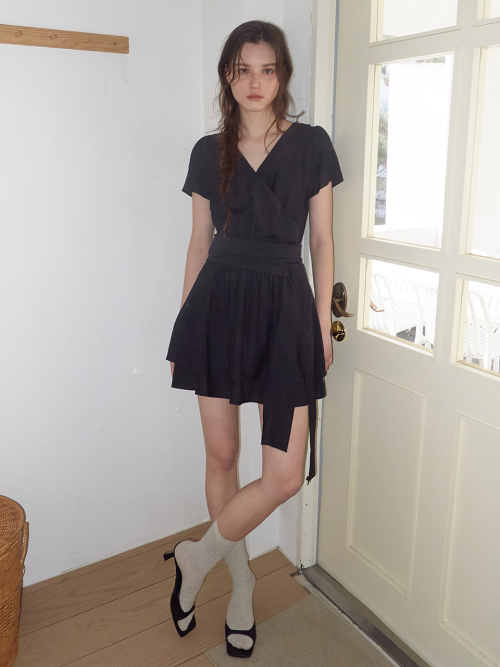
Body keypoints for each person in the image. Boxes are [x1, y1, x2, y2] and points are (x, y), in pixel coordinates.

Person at [164, 20, 343, 658]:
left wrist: (319, 325)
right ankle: (240, 583)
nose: (255, 82)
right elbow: (198, 244)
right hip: (216, 309)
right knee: (221, 456)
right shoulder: (206, 151)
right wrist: (185, 326)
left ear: (282, 75)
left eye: (267, 69)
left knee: (283, 475)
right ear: (227, 76)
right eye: (243, 70)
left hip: (286, 313)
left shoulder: (311, 145)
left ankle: (195, 557)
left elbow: (321, 240)